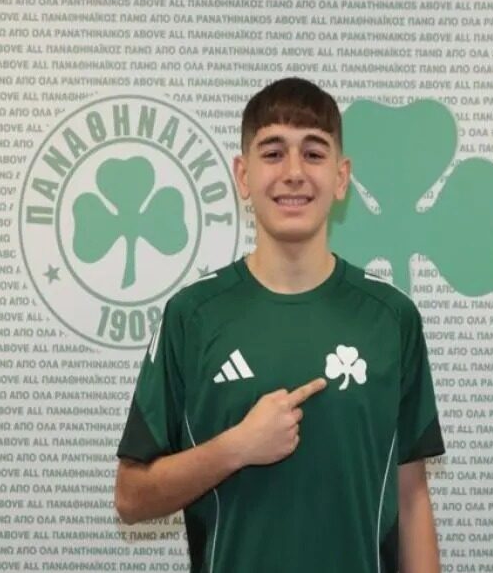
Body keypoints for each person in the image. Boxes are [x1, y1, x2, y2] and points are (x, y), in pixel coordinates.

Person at [115, 77, 445, 573]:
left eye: (313, 153)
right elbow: (131, 497)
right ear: (243, 176)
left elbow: (411, 495)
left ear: (341, 177)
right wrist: (236, 447)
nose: (293, 173)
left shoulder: (392, 317)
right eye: (273, 153)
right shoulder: (192, 315)